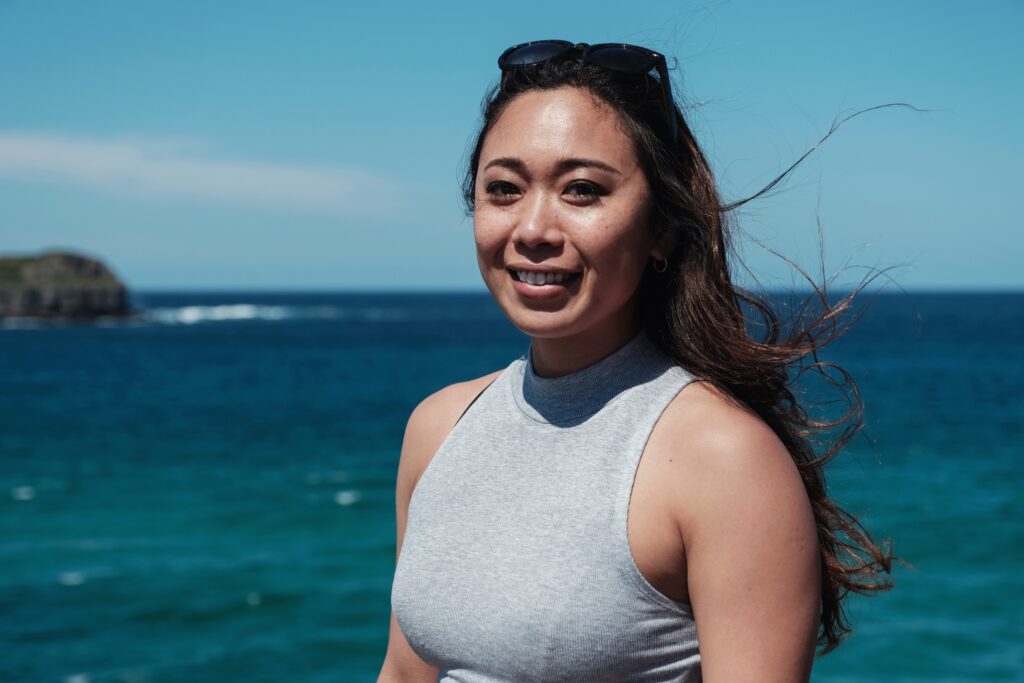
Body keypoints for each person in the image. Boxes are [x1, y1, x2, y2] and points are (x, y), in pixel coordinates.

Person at [378, 40, 894, 682]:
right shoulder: (440, 427)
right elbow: (404, 671)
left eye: (583, 190)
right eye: (504, 189)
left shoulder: (722, 458)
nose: (533, 228)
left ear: (663, 230)